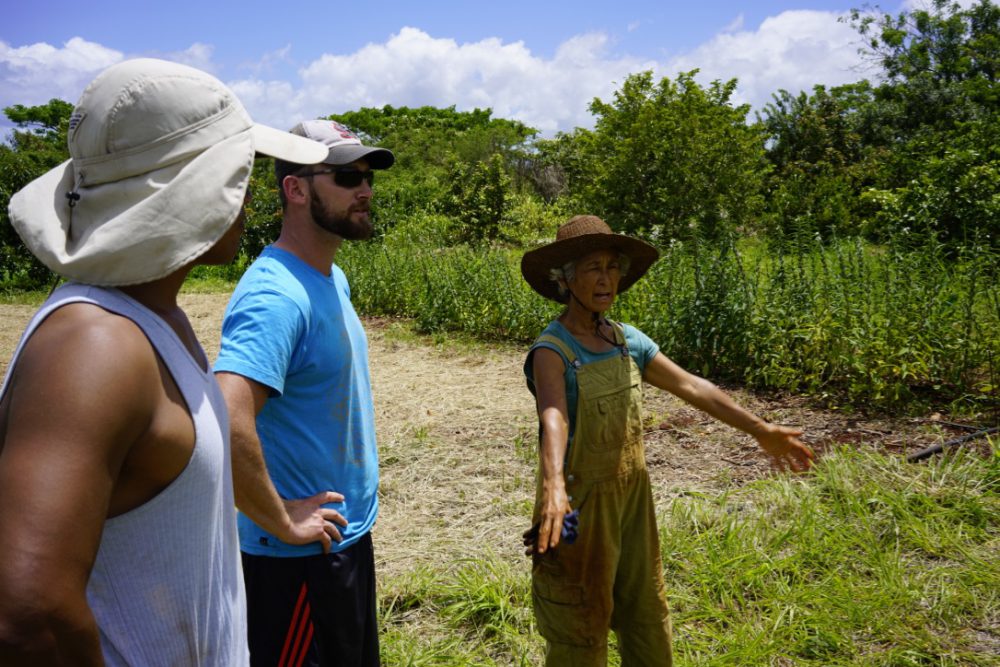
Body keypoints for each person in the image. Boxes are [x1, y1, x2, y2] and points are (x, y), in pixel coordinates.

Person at [0, 59, 327, 665]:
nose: (247, 194)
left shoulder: (152, 318)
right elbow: (27, 617)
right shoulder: (95, 345)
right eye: (237, 173)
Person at [520, 215, 815, 666]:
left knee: (646, 614)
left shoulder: (626, 341)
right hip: (578, 506)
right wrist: (554, 485)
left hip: (634, 500)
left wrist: (761, 429)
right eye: (593, 267)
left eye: (613, 267)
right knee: (580, 625)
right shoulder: (552, 350)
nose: (606, 278)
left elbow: (693, 387)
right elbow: (554, 416)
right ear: (565, 278)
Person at [214, 119, 394, 667]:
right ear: (295, 189)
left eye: (366, 176)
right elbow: (225, 416)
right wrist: (282, 519)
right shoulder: (276, 295)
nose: (363, 189)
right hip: (295, 563)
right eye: (345, 176)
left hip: (339, 545)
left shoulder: (328, 276)